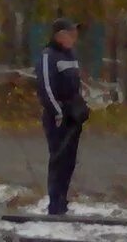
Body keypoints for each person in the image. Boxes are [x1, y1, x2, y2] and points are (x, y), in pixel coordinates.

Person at [35, 17, 89, 217]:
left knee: (69, 160)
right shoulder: (49, 55)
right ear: (60, 35)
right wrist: (57, 111)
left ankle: (63, 201)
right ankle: (54, 204)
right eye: (71, 32)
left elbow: (75, 84)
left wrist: (80, 105)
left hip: (73, 115)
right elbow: (46, 87)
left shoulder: (71, 55)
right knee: (58, 159)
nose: (74, 37)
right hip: (57, 116)